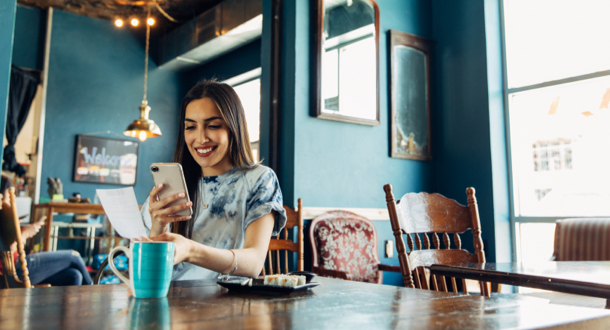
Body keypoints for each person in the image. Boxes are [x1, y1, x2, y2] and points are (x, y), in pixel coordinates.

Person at [140, 80, 287, 281]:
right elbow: (146, 275)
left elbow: (254, 263)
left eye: (213, 126)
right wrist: (158, 229)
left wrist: (190, 250)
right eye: (190, 127)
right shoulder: (171, 185)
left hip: (229, 304)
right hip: (169, 299)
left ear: (233, 127)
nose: (200, 138)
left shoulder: (259, 179)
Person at [0, 175, 92, 286]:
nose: (11, 199)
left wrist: (25, 236)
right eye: (8, 196)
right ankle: (95, 293)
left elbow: (10, 248)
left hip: (19, 263)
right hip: (15, 270)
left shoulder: (4, 215)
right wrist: (24, 234)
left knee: (74, 275)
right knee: (74, 256)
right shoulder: (3, 214)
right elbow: (6, 251)